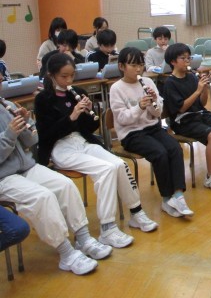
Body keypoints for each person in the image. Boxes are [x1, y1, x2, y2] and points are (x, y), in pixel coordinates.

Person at [35, 53, 158, 248]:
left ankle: (136, 212)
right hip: (60, 148)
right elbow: (46, 136)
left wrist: (89, 113)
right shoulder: (43, 99)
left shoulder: (76, 92)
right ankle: (107, 228)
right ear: (51, 75)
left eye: (72, 75)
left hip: (82, 141)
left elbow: (89, 128)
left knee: (118, 164)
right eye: (64, 76)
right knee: (106, 170)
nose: (69, 81)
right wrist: (72, 116)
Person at [0, 96, 112, 275]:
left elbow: (31, 141)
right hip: (4, 177)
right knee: (42, 197)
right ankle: (66, 254)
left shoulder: (7, 106)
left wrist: (27, 123)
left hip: (26, 167)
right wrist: (9, 135)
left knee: (65, 184)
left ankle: (83, 239)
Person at [110, 47, 193, 218]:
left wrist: (154, 102)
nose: (138, 69)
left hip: (152, 128)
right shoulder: (116, 88)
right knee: (159, 153)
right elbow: (122, 119)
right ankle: (166, 198)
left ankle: (178, 195)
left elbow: (157, 113)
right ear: (121, 66)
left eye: (140, 65)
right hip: (131, 134)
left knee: (175, 148)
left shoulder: (147, 82)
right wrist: (139, 107)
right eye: (133, 65)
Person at [163, 43, 211, 192]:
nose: (187, 61)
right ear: (173, 61)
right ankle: (210, 177)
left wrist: (204, 89)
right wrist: (197, 91)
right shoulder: (170, 83)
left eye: (189, 58)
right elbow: (181, 108)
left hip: (200, 114)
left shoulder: (192, 77)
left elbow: (202, 103)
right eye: (183, 58)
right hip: (183, 120)